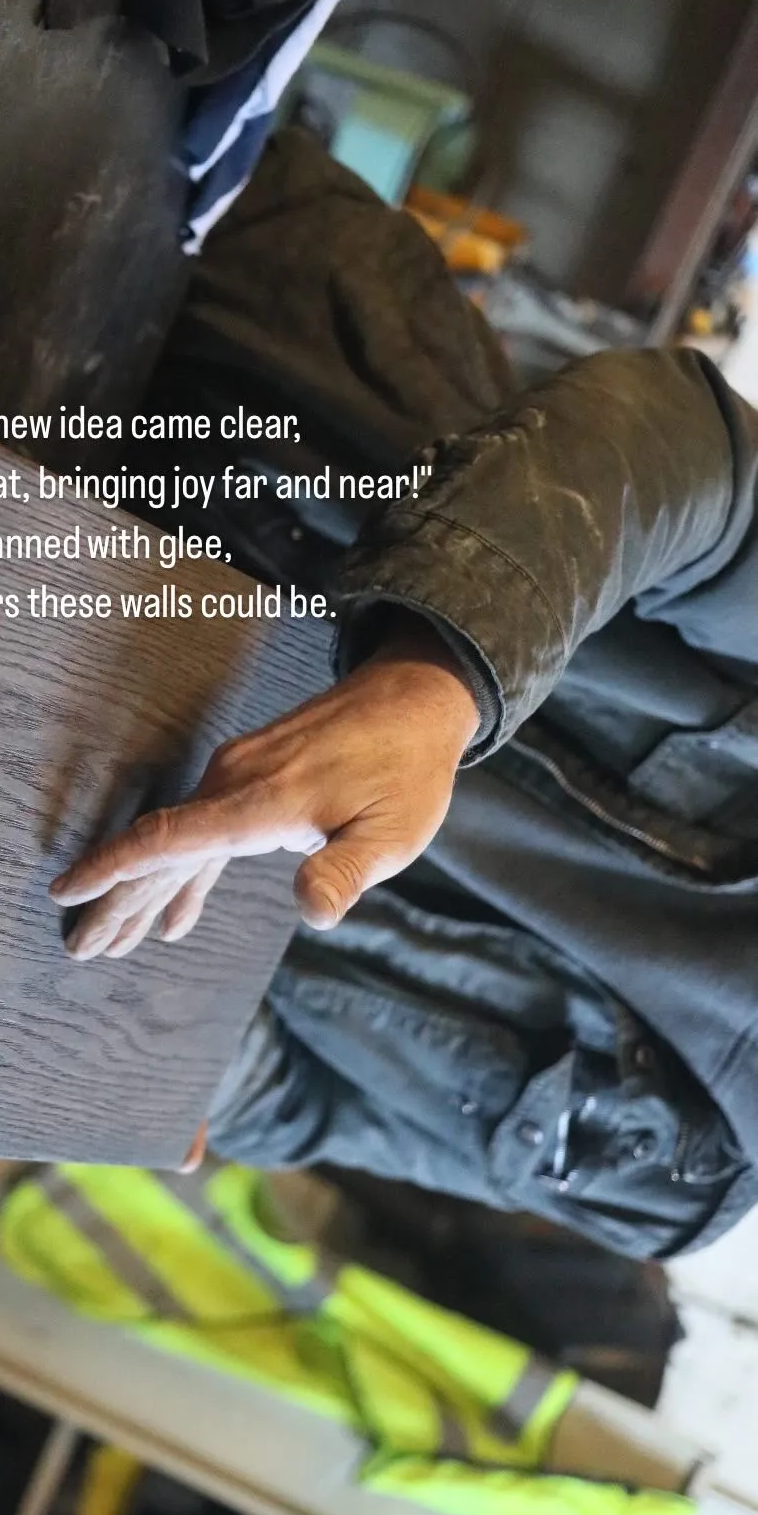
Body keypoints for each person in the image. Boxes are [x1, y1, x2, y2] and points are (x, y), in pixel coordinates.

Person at [49, 128, 758, 1262]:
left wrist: (182, 1073)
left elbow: (308, 1108)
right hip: (175, 335)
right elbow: (690, 446)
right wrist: (441, 681)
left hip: (33, 696)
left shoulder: (662, 1188)